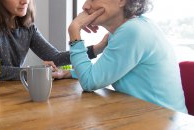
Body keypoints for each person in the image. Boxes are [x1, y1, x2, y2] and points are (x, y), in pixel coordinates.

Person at [57, 0, 187, 113]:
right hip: (150, 115)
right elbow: (105, 72)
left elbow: (89, 82)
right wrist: (72, 73)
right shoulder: (134, 26)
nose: (85, 6)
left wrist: (74, 30)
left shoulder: (132, 31)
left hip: (161, 121)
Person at [0, 0, 106, 80]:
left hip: (12, 92)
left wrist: (97, 48)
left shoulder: (27, 27)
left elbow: (54, 57)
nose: (25, 1)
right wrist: (36, 72)